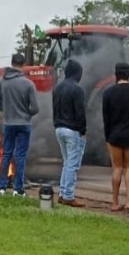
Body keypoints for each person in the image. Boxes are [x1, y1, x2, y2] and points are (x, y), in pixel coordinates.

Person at [102, 61, 129, 213]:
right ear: (128, 74)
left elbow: (105, 119)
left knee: (117, 168)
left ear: (116, 75)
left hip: (114, 136)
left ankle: (114, 202)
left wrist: (107, 139)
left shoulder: (108, 92)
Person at [0, 53, 39, 197]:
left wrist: (7, 111)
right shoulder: (28, 84)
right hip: (24, 124)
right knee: (20, 156)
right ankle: (17, 189)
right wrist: (26, 114)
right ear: (23, 65)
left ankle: (1, 188)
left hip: (8, 123)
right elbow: (35, 108)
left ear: (11, 63)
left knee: (6, 154)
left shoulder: (2, 81)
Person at [52, 58, 87, 207]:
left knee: (67, 163)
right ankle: (68, 195)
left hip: (59, 128)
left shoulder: (57, 88)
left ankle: (62, 193)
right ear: (77, 73)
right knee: (72, 164)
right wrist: (83, 130)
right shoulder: (77, 90)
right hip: (72, 130)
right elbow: (80, 113)